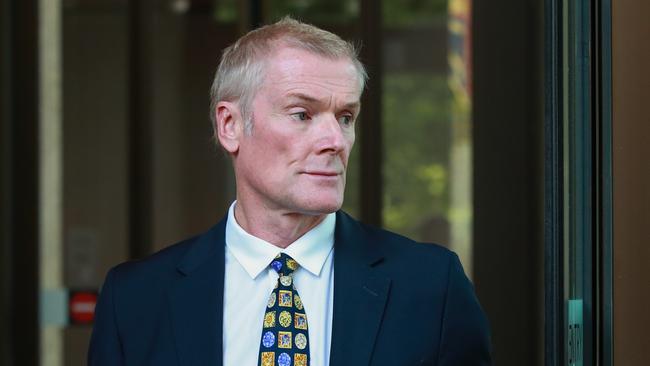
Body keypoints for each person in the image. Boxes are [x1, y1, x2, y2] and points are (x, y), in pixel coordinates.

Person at [88, 17, 491, 366]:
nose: (336, 140)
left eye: (346, 117)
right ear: (230, 125)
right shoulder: (135, 300)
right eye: (303, 114)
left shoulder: (431, 288)